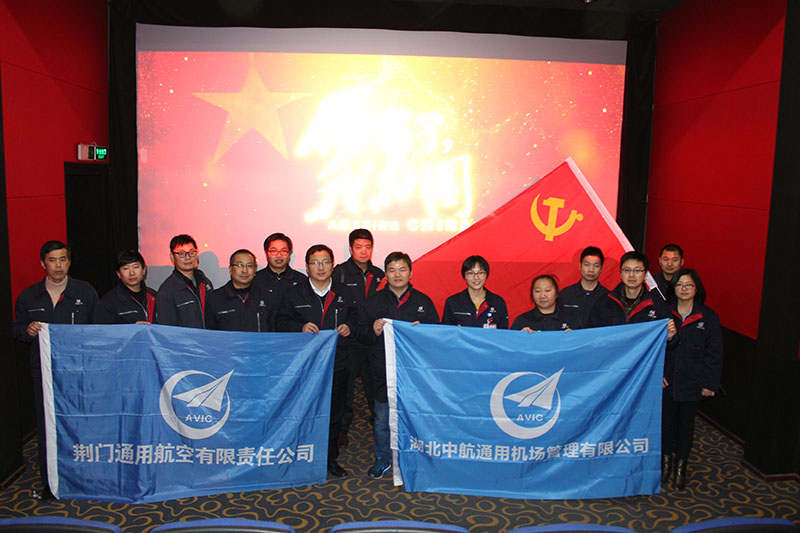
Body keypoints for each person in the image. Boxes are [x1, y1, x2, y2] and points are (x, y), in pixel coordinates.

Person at [11, 240, 98, 501]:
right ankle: (50, 482)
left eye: (63, 259)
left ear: (69, 262)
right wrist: (27, 331)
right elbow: (16, 328)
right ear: (43, 264)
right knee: (48, 427)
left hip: (79, 373)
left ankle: (86, 478)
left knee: (82, 425)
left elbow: (98, 330)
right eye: (52, 260)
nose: (58, 265)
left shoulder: (85, 292)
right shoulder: (29, 297)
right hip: (45, 374)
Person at [275, 244, 357, 478]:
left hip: (336, 364)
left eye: (325, 262)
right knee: (302, 411)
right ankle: (301, 455)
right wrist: (299, 327)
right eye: (315, 262)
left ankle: (328, 459)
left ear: (333, 265)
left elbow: (357, 320)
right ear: (306, 266)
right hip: (305, 366)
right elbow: (280, 322)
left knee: (333, 414)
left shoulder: (344, 293)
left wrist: (349, 327)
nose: (320, 267)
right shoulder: (294, 294)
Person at [358, 251, 439, 479]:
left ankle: (416, 455)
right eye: (392, 270)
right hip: (382, 370)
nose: (397, 274)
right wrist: (373, 329)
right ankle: (382, 458)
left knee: (415, 416)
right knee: (382, 419)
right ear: (385, 274)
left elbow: (436, 335)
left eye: (402, 269)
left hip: (414, 373)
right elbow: (359, 334)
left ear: (411, 273)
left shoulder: (423, 302)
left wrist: (422, 332)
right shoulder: (373, 302)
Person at [662, 268, 723, 490]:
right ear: (674, 288)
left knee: (686, 426)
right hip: (667, 381)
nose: (684, 289)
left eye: (689, 285)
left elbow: (714, 354)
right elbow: (654, 349)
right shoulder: (664, 313)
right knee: (666, 425)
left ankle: (681, 467)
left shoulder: (708, 317)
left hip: (692, 382)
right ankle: (665, 464)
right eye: (680, 285)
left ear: (696, 289)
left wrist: (709, 383)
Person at [332, 229, 384, 448]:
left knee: (375, 385)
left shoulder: (380, 274)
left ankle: (378, 426)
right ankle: (342, 429)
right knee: (346, 387)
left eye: (368, 247)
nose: (363, 251)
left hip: (373, 338)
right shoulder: (340, 273)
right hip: (350, 339)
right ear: (351, 249)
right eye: (358, 247)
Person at [587, 251, 675, 331]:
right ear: (620, 273)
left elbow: (668, 340)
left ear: (645, 275)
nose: (631, 275)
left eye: (637, 270)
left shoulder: (658, 306)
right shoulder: (603, 303)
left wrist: (669, 337)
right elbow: (592, 334)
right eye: (627, 270)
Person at [205, 249, 273, 332]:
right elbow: (210, 334)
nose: (244, 271)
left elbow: (273, 332)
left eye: (249, 266)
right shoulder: (214, 299)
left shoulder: (266, 296)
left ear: (255, 270)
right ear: (230, 269)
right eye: (240, 265)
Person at [154, 234, 214, 328]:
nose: (188, 257)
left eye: (191, 252)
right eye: (181, 254)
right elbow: (167, 330)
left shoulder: (205, 283)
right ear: (172, 257)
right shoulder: (166, 291)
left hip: (207, 337)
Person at [441, 255, 508, 329]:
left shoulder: (498, 303)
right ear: (464, 276)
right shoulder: (453, 302)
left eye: (481, 273)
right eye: (471, 273)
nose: (476, 277)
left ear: (486, 275)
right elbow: (446, 332)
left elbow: (504, 333)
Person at [93, 250, 156, 324]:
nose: (132, 273)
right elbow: (102, 329)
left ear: (144, 270)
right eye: (126, 268)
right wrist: (131, 328)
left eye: (135, 267)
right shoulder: (108, 302)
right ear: (119, 274)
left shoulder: (153, 296)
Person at [559, 246, 609, 329]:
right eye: (587, 265)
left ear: (601, 269)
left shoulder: (608, 298)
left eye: (596, 266)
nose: (591, 270)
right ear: (580, 266)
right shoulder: (565, 295)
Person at [253, 232, 307, 302]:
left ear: (289, 253)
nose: (279, 255)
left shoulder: (301, 280)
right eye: (273, 251)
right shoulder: (255, 280)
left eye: (283, 251)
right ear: (266, 253)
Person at [511, 275, 576, 332]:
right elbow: (511, 341)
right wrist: (521, 336)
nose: (542, 295)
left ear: (556, 293)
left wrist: (574, 336)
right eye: (537, 291)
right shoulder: (522, 321)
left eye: (547, 290)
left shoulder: (571, 318)